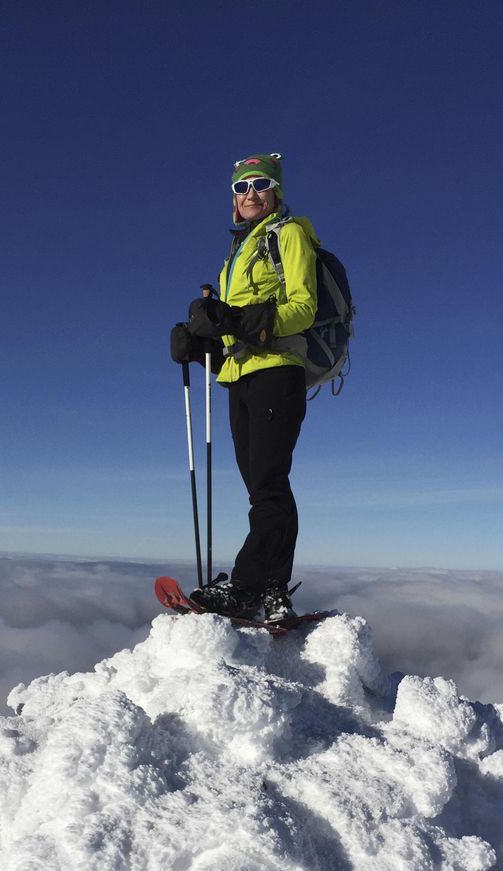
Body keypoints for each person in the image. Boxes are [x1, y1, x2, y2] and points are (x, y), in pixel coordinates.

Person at [171, 152, 319, 626]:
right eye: (241, 187)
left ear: (275, 191)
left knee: (268, 483)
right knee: (262, 487)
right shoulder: (234, 254)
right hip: (239, 374)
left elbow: (303, 308)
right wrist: (196, 345)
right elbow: (234, 332)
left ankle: (248, 585)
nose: (250, 193)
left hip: (277, 370)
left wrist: (232, 319)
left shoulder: (288, 234)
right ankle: (274, 588)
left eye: (259, 184)